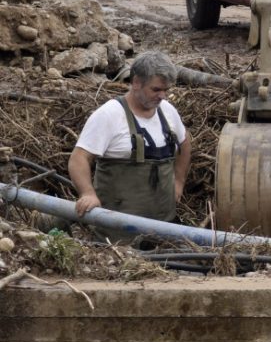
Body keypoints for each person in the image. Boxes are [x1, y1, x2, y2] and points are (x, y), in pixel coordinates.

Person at [68, 50, 192, 223]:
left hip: (164, 225)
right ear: (136, 83)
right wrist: (87, 193)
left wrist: (178, 182)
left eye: (166, 90)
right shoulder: (109, 114)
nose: (162, 96)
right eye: (156, 89)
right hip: (118, 230)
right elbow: (79, 158)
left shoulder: (167, 111)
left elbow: (185, 141)